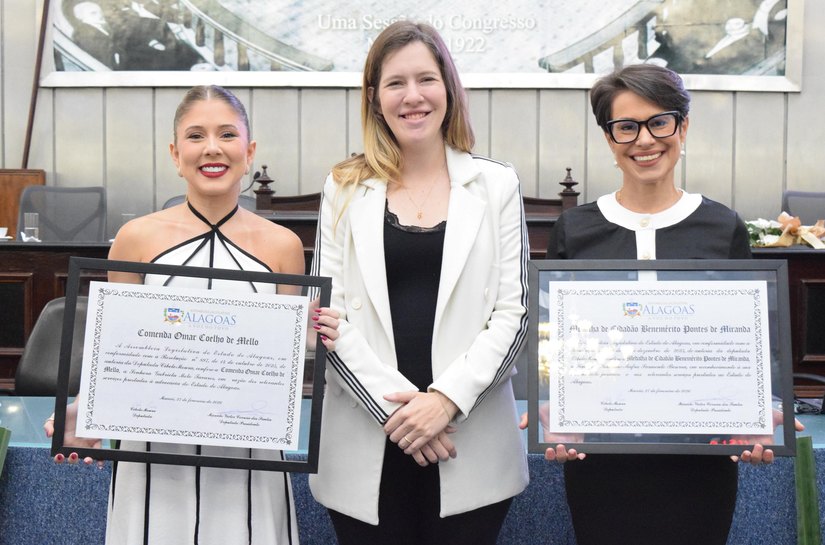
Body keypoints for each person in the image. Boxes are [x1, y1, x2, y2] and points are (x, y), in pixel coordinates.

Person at [44, 84, 339, 545]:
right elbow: (115, 352)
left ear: (250, 149)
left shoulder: (282, 246)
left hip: (250, 459)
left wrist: (317, 333)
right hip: (153, 462)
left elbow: (284, 356)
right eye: (196, 135)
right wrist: (85, 413)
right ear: (175, 152)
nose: (212, 148)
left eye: (227, 134)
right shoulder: (135, 238)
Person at [526, 63, 801, 545]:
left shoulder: (722, 226)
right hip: (602, 460)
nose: (644, 140)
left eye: (660, 122)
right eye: (626, 127)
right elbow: (559, 343)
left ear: (683, 127)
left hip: (699, 461)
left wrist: (760, 412)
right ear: (609, 138)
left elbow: (745, 341)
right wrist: (552, 408)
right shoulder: (576, 229)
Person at [308, 20, 529, 545]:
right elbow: (327, 316)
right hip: (367, 438)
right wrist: (405, 415)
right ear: (374, 97)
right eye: (395, 83)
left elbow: (514, 315)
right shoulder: (342, 188)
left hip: (466, 437)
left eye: (426, 79)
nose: (413, 97)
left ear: (449, 88)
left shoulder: (496, 184)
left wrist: (444, 402)